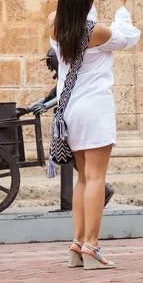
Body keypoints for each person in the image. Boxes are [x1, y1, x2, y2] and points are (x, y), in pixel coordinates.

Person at [48, 0, 141, 270]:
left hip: (69, 110)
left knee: (83, 179)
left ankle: (77, 243)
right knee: (97, 178)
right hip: (95, 109)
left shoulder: (54, 24)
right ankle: (92, 245)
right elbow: (127, 37)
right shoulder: (98, 33)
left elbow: (74, 15)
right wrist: (122, 6)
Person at [18, 48, 115, 207]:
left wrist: (46, 106)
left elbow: (64, 94)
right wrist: (26, 110)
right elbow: (49, 97)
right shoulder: (64, 77)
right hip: (67, 121)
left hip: (75, 121)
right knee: (74, 159)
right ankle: (102, 190)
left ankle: (101, 191)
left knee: (77, 158)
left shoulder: (74, 75)